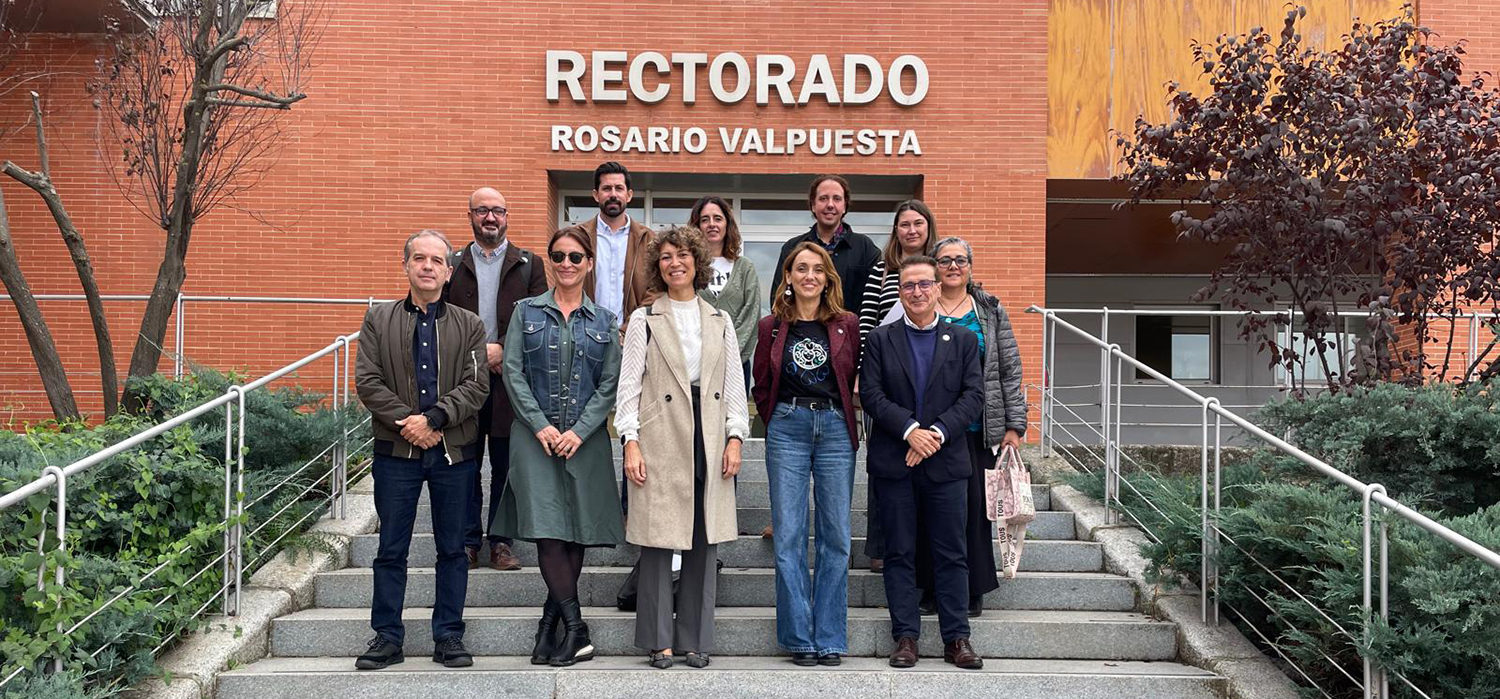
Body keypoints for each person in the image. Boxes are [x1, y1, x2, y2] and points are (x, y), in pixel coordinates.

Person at [353, 229, 489, 670]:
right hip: (397, 454)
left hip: (454, 454)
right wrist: (410, 423)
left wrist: (434, 419)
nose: (427, 266)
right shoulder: (379, 319)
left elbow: (477, 386)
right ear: (406, 265)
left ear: (449, 271)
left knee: (452, 549)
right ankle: (387, 637)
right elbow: (368, 382)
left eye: (436, 260)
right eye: (419, 259)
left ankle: (448, 635)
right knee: (392, 548)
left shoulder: (469, 324)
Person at [616, 225, 749, 670]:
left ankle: (694, 638)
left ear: (697, 261)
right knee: (658, 539)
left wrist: (735, 436)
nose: (675, 263)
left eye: (683, 255)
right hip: (660, 432)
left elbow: (734, 385)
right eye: (666, 257)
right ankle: (659, 640)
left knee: (702, 538)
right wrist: (630, 441)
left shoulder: (720, 319)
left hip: (709, 430)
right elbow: (628, 385)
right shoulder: (644, 319)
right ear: (658, 265)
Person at [492, 227, 624, 667]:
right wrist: (541, 426)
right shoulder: (525, 312)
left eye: (575, 257)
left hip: (584, 441)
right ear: (550, 262)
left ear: (589, 264)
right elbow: (512, 372)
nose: (566, 264)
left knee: (577, 532)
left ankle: (550, 629)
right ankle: (578, 629)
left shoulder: (605, 321)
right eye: (558, 257)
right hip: (535, 439)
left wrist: (580, 430)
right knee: (549, 530)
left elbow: (610, 385)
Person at [858, 255, 985, 670]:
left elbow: (973, 396)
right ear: (899, 291)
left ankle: (956, 638)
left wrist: (935, 435)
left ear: (937, 287)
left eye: (924, 284)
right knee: (899, 553)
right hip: (895, 461)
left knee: (952, 552)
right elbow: (873, 395)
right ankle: (906, 637)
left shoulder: (963, 340)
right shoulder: (880, 338)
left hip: (947, 463)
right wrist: (910, 430)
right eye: (908, 285)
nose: (917, 292)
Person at [751, 242, 861, 667]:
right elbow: (761, 384)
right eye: (801, 268)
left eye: (817, 268)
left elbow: (853, 376)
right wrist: (777, 419)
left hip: (834, 427)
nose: (809, 275)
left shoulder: (846, 324)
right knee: (790, 536)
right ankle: (799, 637)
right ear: (789, 277)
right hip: (788, 429)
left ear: (827, 277)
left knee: (835, 537)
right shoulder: (772, 326)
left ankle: (830, 636)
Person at [915, 236, 1026, 618]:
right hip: (928, 429)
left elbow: (1009, 369)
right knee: (930, 510)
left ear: (970, 266)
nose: (952, 267)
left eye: (960, 260)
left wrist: (1015, 425)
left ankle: (972, 587)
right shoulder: (922, 303)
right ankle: (931, 586)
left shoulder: (989, 310)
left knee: (976, 511)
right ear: (934, 267)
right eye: (944, 260)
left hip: (977, 426)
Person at [445, 187, 548, 572]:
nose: (491, 218)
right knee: (466, 465)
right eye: (483, 211)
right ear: (470, 215)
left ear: (507, 216)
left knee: (506, 467)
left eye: (498, 211)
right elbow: (441, 318)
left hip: (510, 382)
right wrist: (478, 353)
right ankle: (469, 541)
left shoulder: (529, 263)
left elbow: (539, 317)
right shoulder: (452, 262)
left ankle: (501, 542)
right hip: (464, 382)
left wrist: (504, 347)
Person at [857, 199, 938, 574]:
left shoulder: (939, 270)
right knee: (884, 465)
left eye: (917, 223)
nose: (911, 230)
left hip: (933, 385)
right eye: (903, 224)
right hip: (887, 388)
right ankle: (880, 545)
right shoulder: (881, 271)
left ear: (928, 228)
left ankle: (922, 547)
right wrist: (861, 371)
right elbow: (867, 321)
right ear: (896, 231)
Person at [767, 174, 882, 321]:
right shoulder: (792, 247)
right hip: (800, 336)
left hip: (849, 337)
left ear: (845, 206)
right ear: (813, 206)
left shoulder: (865, 248)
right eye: (823, 198)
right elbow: (779, 295)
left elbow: (873, 301)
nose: (830, 205)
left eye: (837, 199)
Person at [557, 161, 654, 323]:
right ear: (596, 195)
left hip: (633, 336)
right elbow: (563, 283)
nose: (613, 194)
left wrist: (630, 328)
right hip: (584, 334)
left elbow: (656, 289)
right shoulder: (578, 237)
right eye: (607, 188)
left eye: (619, 188)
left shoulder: (648, 239)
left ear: (629, 195)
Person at [693, 195, 761, 391]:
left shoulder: (744, 267)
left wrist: (727, 354)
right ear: (697, 226)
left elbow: (751, 314)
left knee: (732, 420)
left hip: (735, 363)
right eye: (705, 219)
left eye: (717, 218)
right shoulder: (689, 266)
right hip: (696, 363)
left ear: (727, 224)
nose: (711, 224)